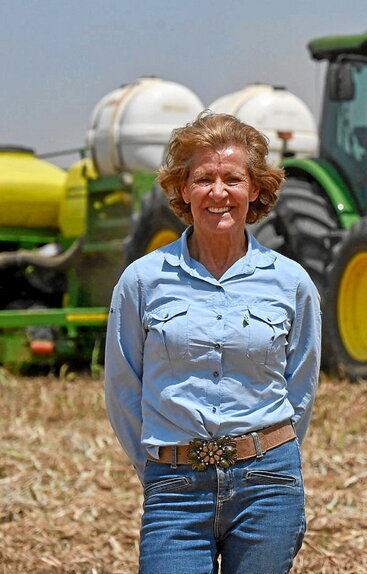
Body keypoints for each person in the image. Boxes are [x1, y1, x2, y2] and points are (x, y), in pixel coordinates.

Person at [104, 112, 321, 574]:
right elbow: (123, 390)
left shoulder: (291, 282)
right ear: (183, 190)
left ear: (255, 189)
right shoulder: (142, 280)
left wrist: (268, 455)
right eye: (203, 178)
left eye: (233, 179)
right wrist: (161, 470)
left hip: (268, 484)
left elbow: (300, 385)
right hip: (176, 489)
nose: (218, 193)